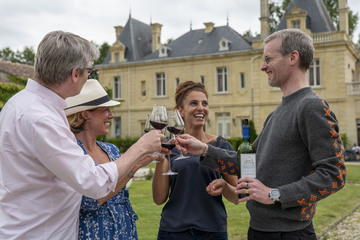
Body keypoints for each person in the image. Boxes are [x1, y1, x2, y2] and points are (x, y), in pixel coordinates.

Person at [176, 29, 346, 240]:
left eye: (268, 59)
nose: (262, 66)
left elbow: (334, 175)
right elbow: (247, 163)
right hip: (260, 230)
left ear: (293, 57)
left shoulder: (311, 107)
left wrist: (275, 194)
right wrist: (204, 150)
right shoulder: (276, 113)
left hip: (289, 233)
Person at [0, 31, 164, 239]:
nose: (89, 76)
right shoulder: (41, 118)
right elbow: (93, 183)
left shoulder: (19, 104)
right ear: (76, 74)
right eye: (90, 71)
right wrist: (140, 148)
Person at [152, 81, 238, 240]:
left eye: (204, 103)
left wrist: (224, 186)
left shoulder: (221, 146)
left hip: (212, 232)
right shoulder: (170, 148)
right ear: (180, 111)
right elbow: (159, 199)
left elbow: (236, 197)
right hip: (173, 232)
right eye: (194, 103)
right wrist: (159, 157)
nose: (201, 108)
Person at [65, 79, 147, 239]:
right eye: (106, 110)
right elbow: (89, 201)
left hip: (125, 232)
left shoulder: (111, 149)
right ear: (86, 114)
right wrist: (134, 167)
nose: (112, 115)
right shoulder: (71, 151)